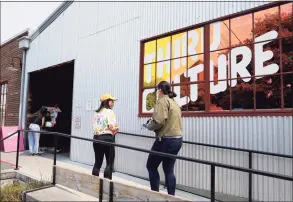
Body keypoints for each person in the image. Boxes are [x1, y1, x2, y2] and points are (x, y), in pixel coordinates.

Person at [144, 81, 183, 196]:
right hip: (177, 140)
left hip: (166, 140)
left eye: (157, 90)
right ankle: (171, 198)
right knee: (168, 170)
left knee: (151, 166)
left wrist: (148, 126)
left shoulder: (162, 101)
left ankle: (156, 196)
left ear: (160, 90)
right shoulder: (174, 102)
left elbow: (159, 121)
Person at [92, 93, 119, 179]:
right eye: (112, 101)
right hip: (107, 139)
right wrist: (117, 127)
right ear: (107, 101)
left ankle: (93, 184)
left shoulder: (96, 113)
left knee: (97, 163)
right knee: (109, 163)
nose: (113, 104)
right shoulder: (110, 112)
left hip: (96, 139)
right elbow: (112, 127)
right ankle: (106, 188)